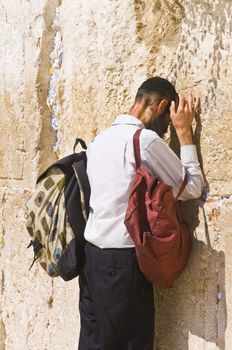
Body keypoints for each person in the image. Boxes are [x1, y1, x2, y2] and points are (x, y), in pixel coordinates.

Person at [78, 77, 204, 350]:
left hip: (92, 260)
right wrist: (184, 134)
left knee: (93, 343)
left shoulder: (99, 141)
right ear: (160, 106)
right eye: (168, 121)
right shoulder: (144, 141)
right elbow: (192, 187)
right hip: (123, 266)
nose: (167, 128)